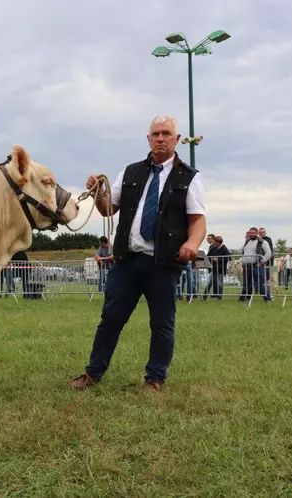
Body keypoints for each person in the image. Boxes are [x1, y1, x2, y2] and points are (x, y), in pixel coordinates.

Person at [69, 115, 206, 392]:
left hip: (164, 263)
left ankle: (154, 379)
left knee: (162, 324)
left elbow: (197, 220)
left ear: (177, 139)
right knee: (110, 320)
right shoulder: (129, 172)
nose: (160, 138)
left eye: (167, 133)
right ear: (148, 139)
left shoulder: (189, 177)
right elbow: (109, 209)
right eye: (155, 133)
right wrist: (97, 193)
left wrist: (192, 242)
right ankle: (93, 372)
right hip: (127, 261)